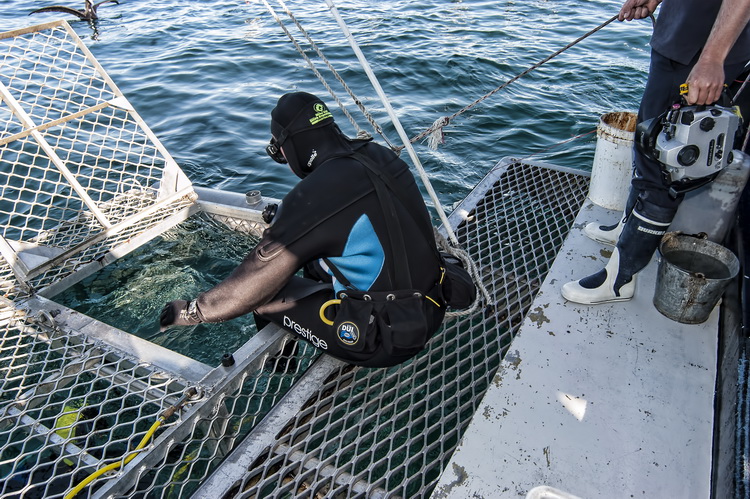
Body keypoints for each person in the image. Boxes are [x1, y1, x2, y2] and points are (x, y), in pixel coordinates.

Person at [159, 91, 470, 367]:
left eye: (279, 152)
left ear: (288, 146)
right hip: (432, 303)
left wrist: (191, 311)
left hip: (385, 339)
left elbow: (252, 283)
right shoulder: (378, 155)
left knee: (264, 294)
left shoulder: (314, 195)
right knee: (312, 258)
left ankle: (281, 370)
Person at [562, 0, 750, 304]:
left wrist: (713, 57)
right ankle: (627, 229)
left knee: (666, 163)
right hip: (677, 38)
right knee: (647, 142)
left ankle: (620, 281)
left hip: (701, 51)